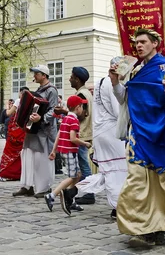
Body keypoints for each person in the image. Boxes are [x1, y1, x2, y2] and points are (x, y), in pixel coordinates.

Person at [110, 29, 165, 245]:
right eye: (136, 42)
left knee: (159, 183)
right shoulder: (134, 70)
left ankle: (156, 226)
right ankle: (141, 226)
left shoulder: (164, 67)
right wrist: (115, 83)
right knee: (137, 179)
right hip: (138, 133)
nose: (138, 45)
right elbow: (125, 99)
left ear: (154, 43)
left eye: (143, 42)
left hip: (159, 132)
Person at [71, 57, 128, 219]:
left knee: (107, 171)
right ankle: (117, 208)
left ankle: (72, 191)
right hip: (112, 132)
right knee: (117, 171)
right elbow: (118, 112)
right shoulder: (111, 84)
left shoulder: (101, 82)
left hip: (101, 132)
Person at [12, 64, 58, 199]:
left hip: (44, 130)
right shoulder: (39, 89)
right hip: (33, 130)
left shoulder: (52, 90)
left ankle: (44, 187)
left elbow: (53, 110)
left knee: (42, 159)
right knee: (28, 156)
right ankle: (28, 185)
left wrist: (41, 118)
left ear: (44, 75)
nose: (34, 76)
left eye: (37, 73)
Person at [54, 66, 95, 206]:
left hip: (80, 135)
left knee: (83, 167)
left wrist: (65, 112)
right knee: (81, 167)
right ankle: (74, 192)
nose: (69, 79)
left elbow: (82, 115)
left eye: (71, 77)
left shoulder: (81, 95)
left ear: (77, 79)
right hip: (83, 134)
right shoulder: (85, 93)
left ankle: (89, 193)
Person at [45, 95, 91, 215]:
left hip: (64, 151)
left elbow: (59, 135)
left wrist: (54, 150)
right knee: (73, 176)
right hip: (71, 151)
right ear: (77, 107)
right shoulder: (74, 120)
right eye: (82, 106)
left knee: (77, 175)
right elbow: (73, 138)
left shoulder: (65, 118)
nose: (83, 109)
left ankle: (70, 199)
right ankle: (53, 195)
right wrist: (84, 143)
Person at [0, 87, 29, 182]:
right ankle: (19, 173)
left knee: (9, 151)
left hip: (15, 129)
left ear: (21, 93)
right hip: (23, 130)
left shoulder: (18, 101)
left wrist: (7, 106)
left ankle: (6, 173)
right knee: (20, 153)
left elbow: (8, 113)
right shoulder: (29, 102)